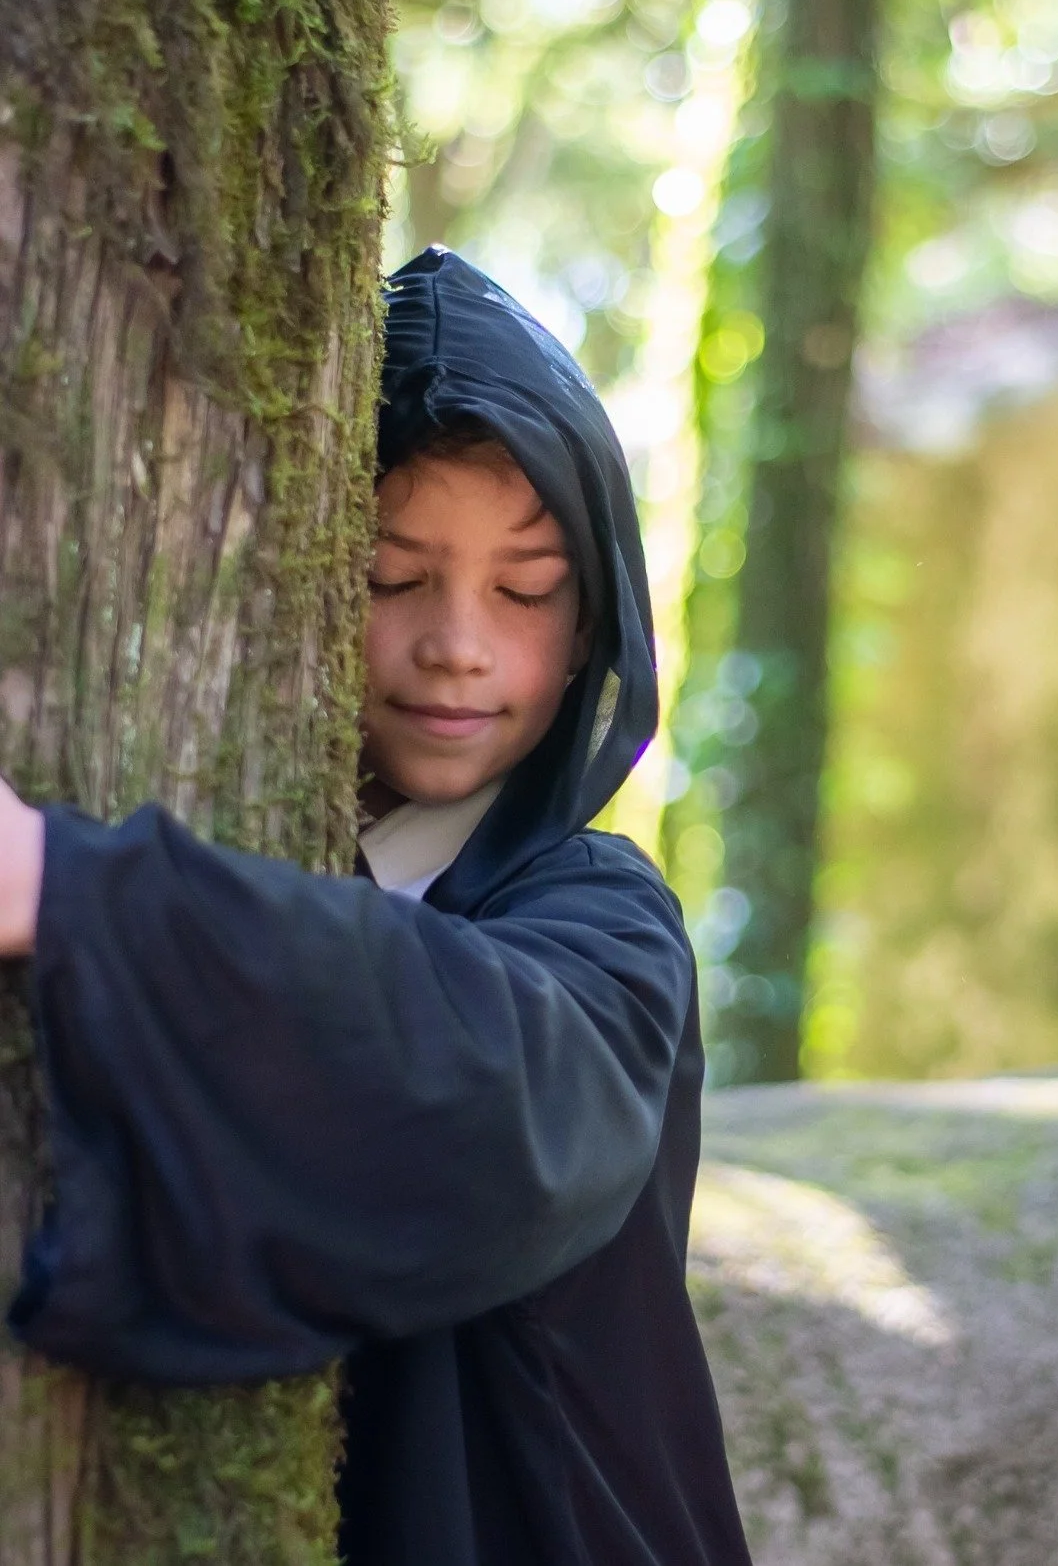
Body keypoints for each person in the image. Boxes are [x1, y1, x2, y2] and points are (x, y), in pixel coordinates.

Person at [0, 247, 754, 1566]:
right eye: (390, 577)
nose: (456, 643)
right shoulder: (259, 839)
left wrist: (74, 892)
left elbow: (488, 1101)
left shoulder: (603, 921)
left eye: (526, 589)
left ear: (590, 626)